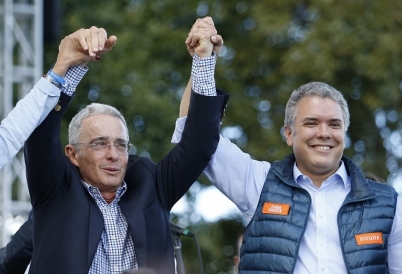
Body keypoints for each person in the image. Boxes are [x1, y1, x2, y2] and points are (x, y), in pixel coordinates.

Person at [173, 20, 402, 274]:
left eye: (334, 124)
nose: (324, 133)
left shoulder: (388, 203)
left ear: (344, 133)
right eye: (312, 123)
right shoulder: (259, 184)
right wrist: (203, 63)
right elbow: (195, 138)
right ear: (289, 133)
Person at [23, 18, 227, 274]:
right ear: (72, 154)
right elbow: (38, 133)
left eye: (121, 145)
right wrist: (68, 66)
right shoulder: (55, 187)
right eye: (99, 144)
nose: (113, 155)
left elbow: (199, 145)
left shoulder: (151, 184)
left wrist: (204, 62)